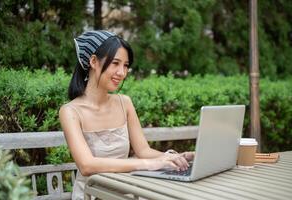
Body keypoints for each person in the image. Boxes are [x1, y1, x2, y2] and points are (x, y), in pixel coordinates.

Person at [59, 30, 194, 199]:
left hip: (125, 193)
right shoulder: (70, 111)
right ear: (93, 61)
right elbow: (87, 165)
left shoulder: (124, 103)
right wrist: (147, 164)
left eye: (125, 65)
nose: (122, 73)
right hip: (91, 194)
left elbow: (143, 150)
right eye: (115, 63)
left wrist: (176, 157)